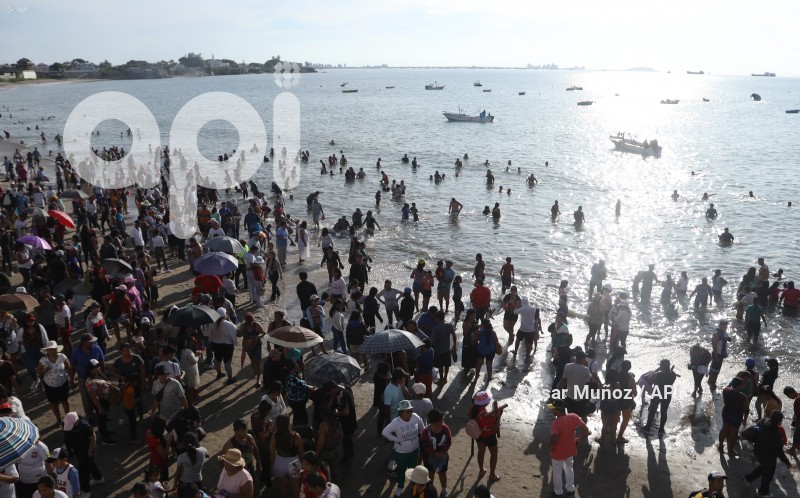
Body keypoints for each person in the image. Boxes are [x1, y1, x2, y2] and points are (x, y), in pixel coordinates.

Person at [382, 399, 425, 497]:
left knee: (413, 468)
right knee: (401, 470)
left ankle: (413, 485)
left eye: (411, 410)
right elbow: (384, 432)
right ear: (401, 413)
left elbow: (421, 423)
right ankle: (400, 486)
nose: (410, 413)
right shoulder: (396, 422)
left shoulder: (415, 417)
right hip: (401, 452)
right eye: (407, 411)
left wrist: (421, 434)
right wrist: (396, 439)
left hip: (414, 450)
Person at [743, 411, 792, 497]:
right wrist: (787, 462)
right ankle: (762, 492)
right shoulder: (777, 434)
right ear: (779, 422)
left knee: (764, 467)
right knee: (768, 473)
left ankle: (748, 478)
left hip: (758, 452)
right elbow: (779, 452)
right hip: (768, 456)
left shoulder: (763, 424)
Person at [548, 399, 590, 498]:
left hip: (558, 451)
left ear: (558, 410)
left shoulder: (556, 422)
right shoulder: (574, 417)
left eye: (553, 409)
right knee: (569, 469)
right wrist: (579, 440)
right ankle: (570, 489)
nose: (551, 410)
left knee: (557, 472)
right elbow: (586, 430)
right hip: (570, 449)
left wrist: (551, 445)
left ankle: (558, 492)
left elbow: (554, 437)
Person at [468, 391, 503, 483]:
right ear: (485, 402)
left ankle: (481, 470)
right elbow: (495, 429)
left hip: (479, 435)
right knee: (494, 453)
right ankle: (492, 474)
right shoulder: (487, 415)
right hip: (489, 436)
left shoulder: (472, 409)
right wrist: (498, 417)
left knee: (481, 451)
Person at [36, 340, 72, 423]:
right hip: (50, 385)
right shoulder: (43, 360)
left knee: (64, 401)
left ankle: (68, 417)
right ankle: (58, 419)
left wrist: (72, 380)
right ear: (47, 350)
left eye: (54, 349)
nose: (52, 351)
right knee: (53, 403)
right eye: (50, 349)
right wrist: (44, 371)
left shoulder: (62, 356)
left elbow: (69, 367)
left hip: (63, 382)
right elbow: (38, 371)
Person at [641, 359, 677, 436]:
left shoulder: (657, 374)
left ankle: (647, 427)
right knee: (664, 411)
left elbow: (649, 381)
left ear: (661, 366)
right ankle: (661, 429)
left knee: (652, 410)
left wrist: (657, 370)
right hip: (667, 393)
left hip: (657, 393)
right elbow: (670, 378)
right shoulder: (673, 375)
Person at [420, 409, 451, 497]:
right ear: (434, 422)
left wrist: (442, 452)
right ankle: (430, 490)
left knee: (442, 473)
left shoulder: (445, 428)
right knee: (430, 473)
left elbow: (448, 442)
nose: (443, 421)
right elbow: (425, 445)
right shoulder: (426, 431)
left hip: (443, 456)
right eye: (441, 420)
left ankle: (444, 490)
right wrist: (434, 453)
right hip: (429, 456)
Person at [718, 377, 748, 457]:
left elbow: (728, 388)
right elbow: (746, 408)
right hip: (736, 415)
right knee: (733, 433)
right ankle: (730, 451)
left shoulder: (726, 390)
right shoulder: (742, 396)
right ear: (739, 386)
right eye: (742, 385)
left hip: (726, 411)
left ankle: (720, 445)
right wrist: (745, 418)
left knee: (724, 428)